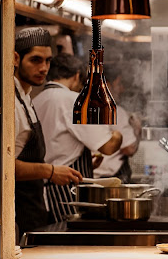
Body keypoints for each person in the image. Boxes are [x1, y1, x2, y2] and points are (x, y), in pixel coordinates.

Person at [33, 53, 123, 223]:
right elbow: (109, 146)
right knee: (70, 237)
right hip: (67, 192)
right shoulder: (74, 100)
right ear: (76, 76)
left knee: (50, 236)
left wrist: (85, 160)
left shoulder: (35, 101)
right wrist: (117, 134)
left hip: (40, 193)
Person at [13, 28, 82, 236]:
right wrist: (50, 172)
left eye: (48, 61)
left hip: (36, 207)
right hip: (18, 213)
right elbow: (2, 167)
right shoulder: (11, 103)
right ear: (15, 59)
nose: (43, 68)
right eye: (35, 60)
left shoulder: (26, 97)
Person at [92, 63, 141, 183]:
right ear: (107, 85)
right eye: (119, 84)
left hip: (91, 177)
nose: (122, 89)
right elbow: (129, 149)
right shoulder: (116, 112)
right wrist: (137, 130)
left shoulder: (86, 109)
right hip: (112, 181)